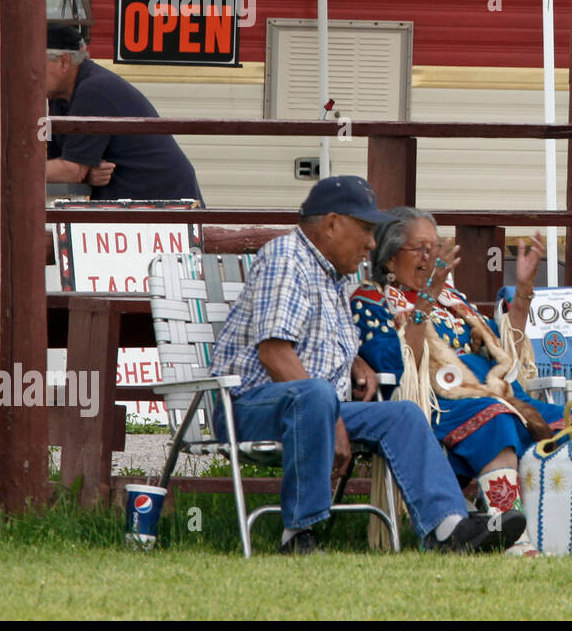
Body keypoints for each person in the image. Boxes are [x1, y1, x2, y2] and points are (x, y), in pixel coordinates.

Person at [207, 175, 523, 555]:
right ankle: (298, 534)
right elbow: (274, 352)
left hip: (317, 403)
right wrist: (331, 418)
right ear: (332, 222)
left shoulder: (335, 277)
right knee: (317, 395)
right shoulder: (287, 259)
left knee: (403, 414)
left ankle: (448, 527)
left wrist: (355, 362)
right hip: (250, 407)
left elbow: (313, 339)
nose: (372, 244)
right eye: (366, 230)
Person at [351, 208, 572, 553]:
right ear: (390, 259)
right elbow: (399, 367)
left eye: (435, 247)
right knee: (495, 419)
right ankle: (510, 531)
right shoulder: (372, 301)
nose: (430, 258)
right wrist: (424, 302)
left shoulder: (452, 300)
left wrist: (525, 289)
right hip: (439, 406)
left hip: (499, 395)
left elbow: (505, 350)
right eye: (419, 249)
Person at [45, 25, 204, 202]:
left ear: (64, 62)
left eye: (36, 65)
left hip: (162, 201)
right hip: (135, 201)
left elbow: (70, 170)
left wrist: (14, 171)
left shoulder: (94, 90)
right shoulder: (58, 99)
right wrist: (86, 172)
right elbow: (59, 164)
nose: (31, 74)